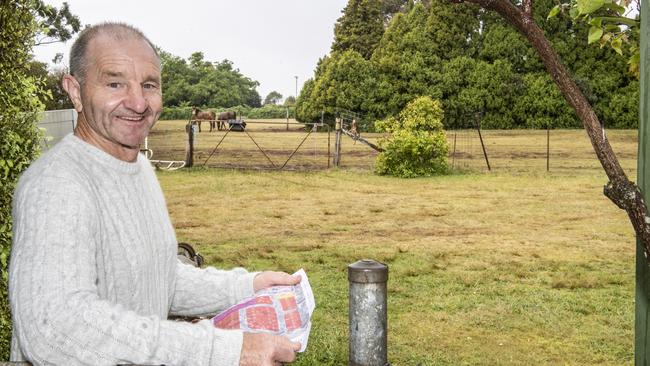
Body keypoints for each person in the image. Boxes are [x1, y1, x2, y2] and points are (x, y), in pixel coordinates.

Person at [9, 22, 301, 366]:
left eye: (149, 85)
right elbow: (55, 328)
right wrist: (222, 350)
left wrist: (248, 286)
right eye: (115, 83)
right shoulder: (55, 185)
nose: (137, 103)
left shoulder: (140, 168)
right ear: (75, 91)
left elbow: (159, 277)